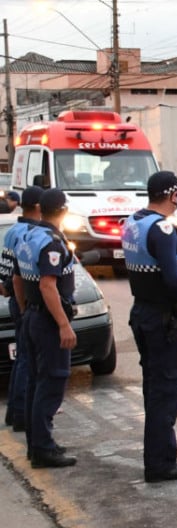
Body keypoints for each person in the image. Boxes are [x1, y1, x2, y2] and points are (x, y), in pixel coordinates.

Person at [121, 171, 177, 483]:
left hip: (142, 312)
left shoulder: (133, 222)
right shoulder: (163, 229)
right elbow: (170, 277)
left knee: (154, 387)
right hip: (162, 318)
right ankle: (160, 463)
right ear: (172, 195)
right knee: (166, 389)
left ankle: (157, 455)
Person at [17, 188, 77, 468]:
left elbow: (17, 280)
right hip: (48, 322)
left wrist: (25, 310)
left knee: (35, 382)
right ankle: (43, 448)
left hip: (32, 316)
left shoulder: (28, 235)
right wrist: (63, 325)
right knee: (52, 382)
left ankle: (36, 444)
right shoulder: (52, 243)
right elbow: (48, 285)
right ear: (63, 211)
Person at [3, 186, 43, 434]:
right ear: (39, 208)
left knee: (22, 361)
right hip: (25, 302)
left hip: (16, 300)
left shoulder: (12, 231)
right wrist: (24, 306)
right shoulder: (30, 233)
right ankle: (20, 415)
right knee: (28, 362)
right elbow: (19, 277)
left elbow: (5, 274)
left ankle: (14, 412)